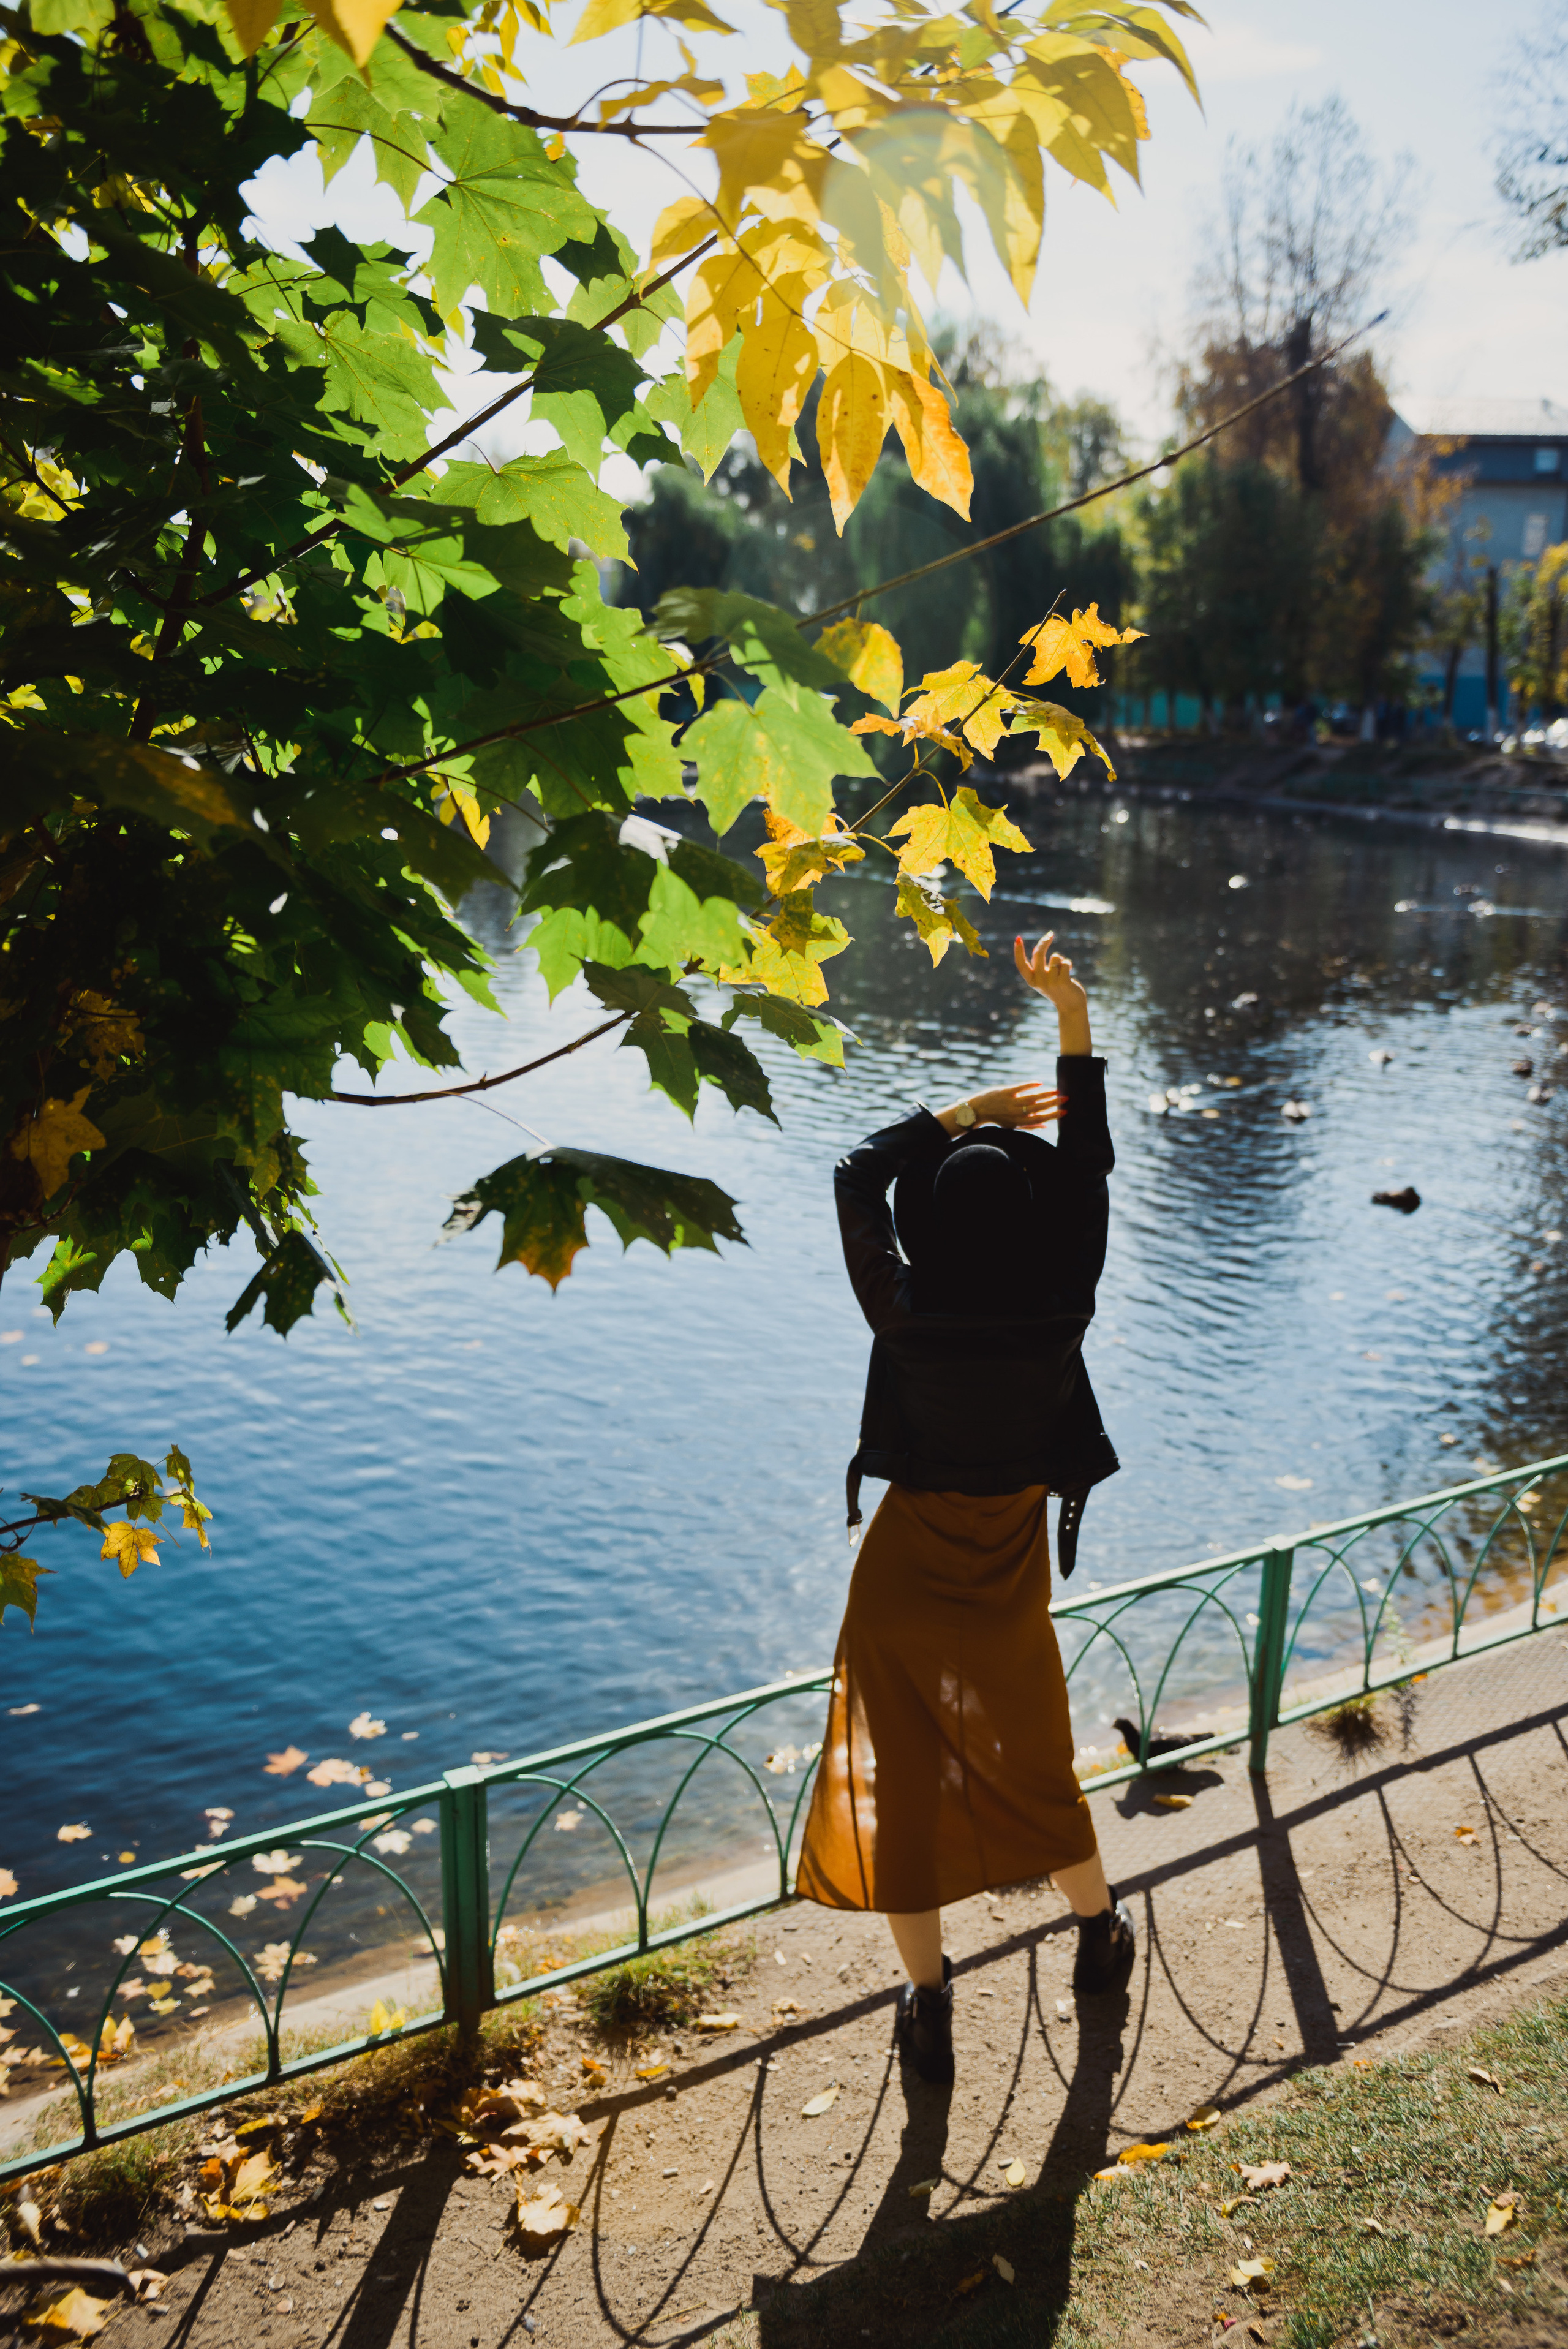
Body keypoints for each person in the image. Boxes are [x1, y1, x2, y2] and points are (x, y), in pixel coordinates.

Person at [794, 929, 1133, 2085]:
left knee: (901, 1784)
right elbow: (1088, 1163)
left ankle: (928, 2005)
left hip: (898, 1586)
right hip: (1005, 1580)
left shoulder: (906, 1311)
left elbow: (850, 1175)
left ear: (932, 1226)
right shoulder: (1063, 1304)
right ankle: (1100, 1935)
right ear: (1034, 1227)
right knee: (1037, 1764)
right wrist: (1071, 1018)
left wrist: (956, 1114)